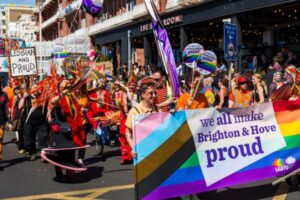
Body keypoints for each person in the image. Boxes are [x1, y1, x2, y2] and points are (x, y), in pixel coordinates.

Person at [125, 78, 157, 158]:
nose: (154, 95)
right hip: (142, 153)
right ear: (143, 94)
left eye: (155, 93)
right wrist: (133, 148)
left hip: (157, 150)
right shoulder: (134, 111)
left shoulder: (157, 109)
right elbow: (128, 133)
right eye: (151, 93)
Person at [0, 80, 9, 163]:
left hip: (1, 120)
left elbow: (6, 108)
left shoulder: (4, 95)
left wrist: (8, 119)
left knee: (0, 139)